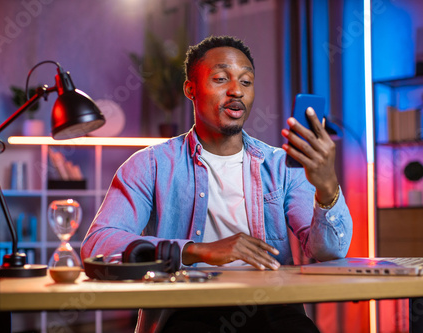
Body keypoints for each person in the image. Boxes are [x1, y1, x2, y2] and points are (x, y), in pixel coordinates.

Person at [81, 35, 352, 332]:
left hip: (272, 308)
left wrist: (327, 188)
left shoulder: (282, 166)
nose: (236, 90)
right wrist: (196, 250)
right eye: (221, 79)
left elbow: (327, 252)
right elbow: (98, 244)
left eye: (246, 82)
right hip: (187, 310)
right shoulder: (150, 165)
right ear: (190, 89)